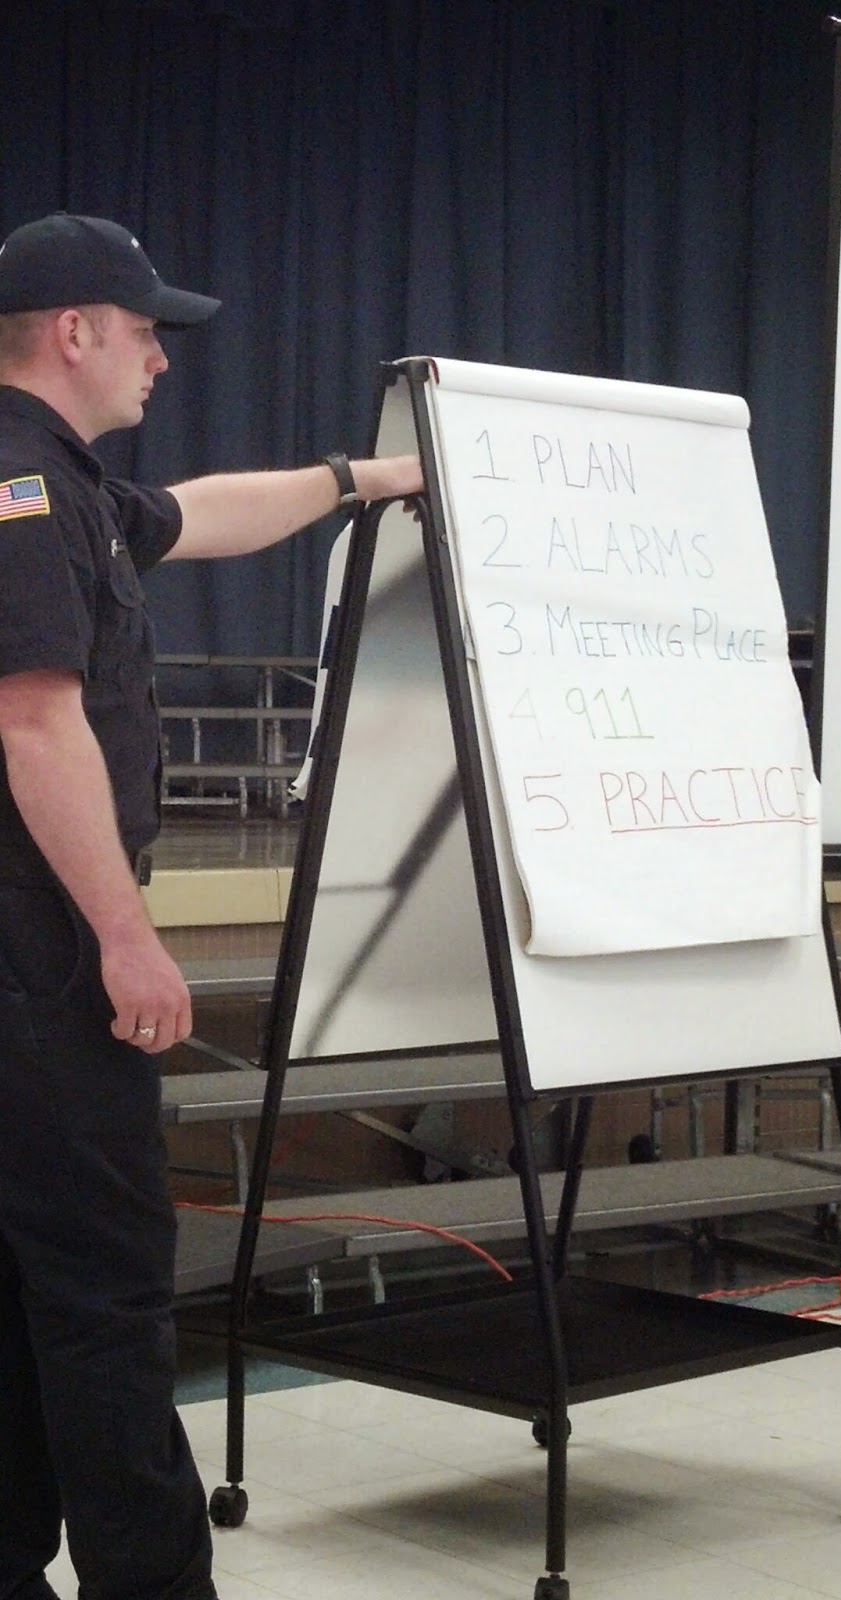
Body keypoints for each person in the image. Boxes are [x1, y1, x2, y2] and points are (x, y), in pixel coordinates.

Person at [0, 212, 423, 1600]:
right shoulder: (20, 488)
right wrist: (125, 937)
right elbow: (35, 724)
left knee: (27, 1287)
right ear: (76, 330)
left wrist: (367, 478)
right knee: (108, 1288)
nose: (162, 361)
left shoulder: (59, 483)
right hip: (43, 954)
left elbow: (209, 512)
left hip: (28, 949)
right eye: (145, 332)